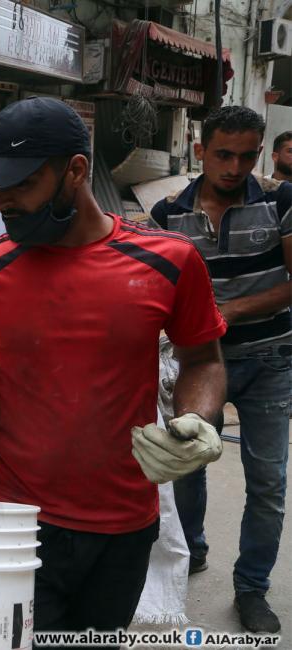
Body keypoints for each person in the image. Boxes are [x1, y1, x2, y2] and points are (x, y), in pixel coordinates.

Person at [0, 97, 227, 644]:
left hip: (123, 523)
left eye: (20, 184)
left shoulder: (168, 262)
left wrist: (198, 421)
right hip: (11, 518)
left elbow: (203, 359)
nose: (2, 202)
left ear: (75, 171)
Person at [151, 105, 292, 635]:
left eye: (246, 156)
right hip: (194, 361)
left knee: (269, 483)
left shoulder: (282, 201)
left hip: (270, 360)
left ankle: (251, 588)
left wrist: (223, 313)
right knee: (187, 466)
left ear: (259, 153)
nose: (234, 167)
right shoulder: (168, 214)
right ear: (200, 151)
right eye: (223, 155)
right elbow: (157, 291)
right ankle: (191, 550)